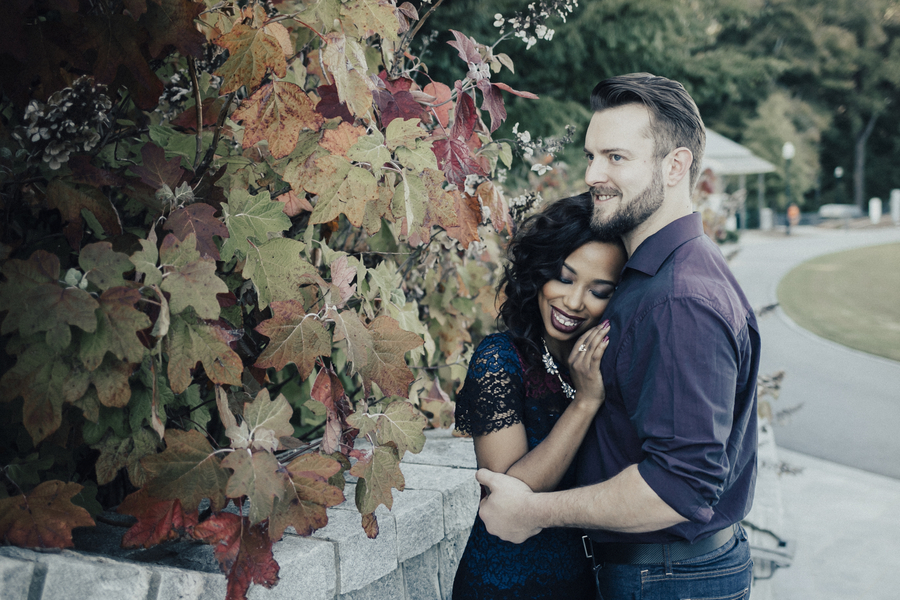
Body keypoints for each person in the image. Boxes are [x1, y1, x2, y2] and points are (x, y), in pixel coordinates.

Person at [476, 73, 761, 600]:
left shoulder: (679, 300)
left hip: (668, 578)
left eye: (616, 158)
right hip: (660, 573)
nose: (593, 175)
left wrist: (535, 511)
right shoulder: (655, 273)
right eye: (590, 156)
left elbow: (680, 487)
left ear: (675, 166)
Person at [451, 194, 628, 600]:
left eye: (598, 291)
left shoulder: (612, 364)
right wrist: (584, 403)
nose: (573, 301)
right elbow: (508, 493)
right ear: (539, 272)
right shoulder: (500, 359)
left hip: (586, 584)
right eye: (564, 278)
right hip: (505, 585)